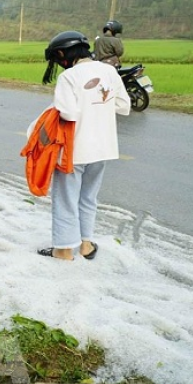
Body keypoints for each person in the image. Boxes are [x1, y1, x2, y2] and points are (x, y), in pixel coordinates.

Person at [36, 30, 130, 261]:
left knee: (66, 199)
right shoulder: (109, 71)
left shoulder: (69, 77)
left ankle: (63, 250)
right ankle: (85, 245)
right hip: (104, 148)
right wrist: (99, 105)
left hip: (74, 149)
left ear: (62, 53)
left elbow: (68, 113)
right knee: (88, 197)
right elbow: (123, 105)